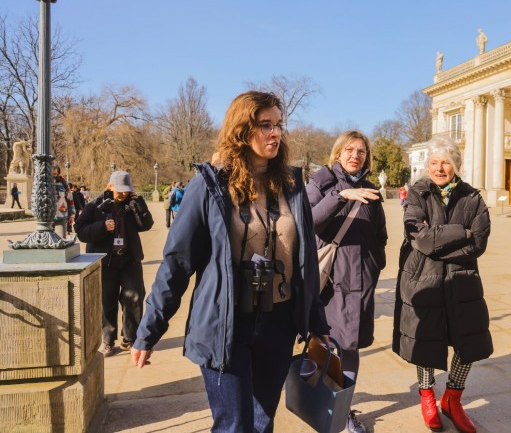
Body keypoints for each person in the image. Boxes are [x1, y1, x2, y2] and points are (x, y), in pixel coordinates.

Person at [131, 91, 330, 433]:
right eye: (265, 125)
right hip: (226, 323)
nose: (275, 133)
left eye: (278, 125)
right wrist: (148, 331)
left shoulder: (292, 186)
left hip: (279, 322)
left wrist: (317, 322)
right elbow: (176, 264)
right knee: (234, 425)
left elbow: (307, 263)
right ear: (241, 130)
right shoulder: (209, 187)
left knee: (263, 422)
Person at [393, 136, 492, 433]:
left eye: (446, 162)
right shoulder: (417, 193)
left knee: (469, 341)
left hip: (463, 280)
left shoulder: (472, 197)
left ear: (456, 165)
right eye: (434, 162)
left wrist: (438, 241)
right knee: (426, 340)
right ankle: (427, 397)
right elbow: (420, 238)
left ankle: (452, 398)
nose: (439, 168)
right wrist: (461, 232)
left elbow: (478, 243)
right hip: (423, 278)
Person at [306, 130, 387, 433]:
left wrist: (374, 264)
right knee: (323, 344)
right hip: (327, 283)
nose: (355, 156)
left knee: (350, 348)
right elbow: (307, 221)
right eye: (349, 150)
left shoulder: (372, 191)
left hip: (359, 283)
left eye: (361, 152)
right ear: (338, 153)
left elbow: (380, 235)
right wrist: (340, 196)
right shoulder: (321, 182)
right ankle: (318, 403)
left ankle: (342, 411)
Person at [75, 171, 154, 357]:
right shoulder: (95, 205)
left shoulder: (132, 203)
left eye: (127, 190)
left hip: (130, 260)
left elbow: (146, 224)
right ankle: (108, 341)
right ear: (110, 186)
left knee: (134, 298)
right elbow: (80, 230)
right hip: (106, 262)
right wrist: (102, 227)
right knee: (106, 302)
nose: (123, 194)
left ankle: (130, 338)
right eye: (120, 190)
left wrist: (139, 204)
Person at [53, 165, 72, 238]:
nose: (54, 176)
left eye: (56, 174)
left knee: (61, 240)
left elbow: (70, 199)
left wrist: (72, 214)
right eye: (52, 174)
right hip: (47, 218)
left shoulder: (64, 183)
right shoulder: (44, 183)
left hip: (61, 215)